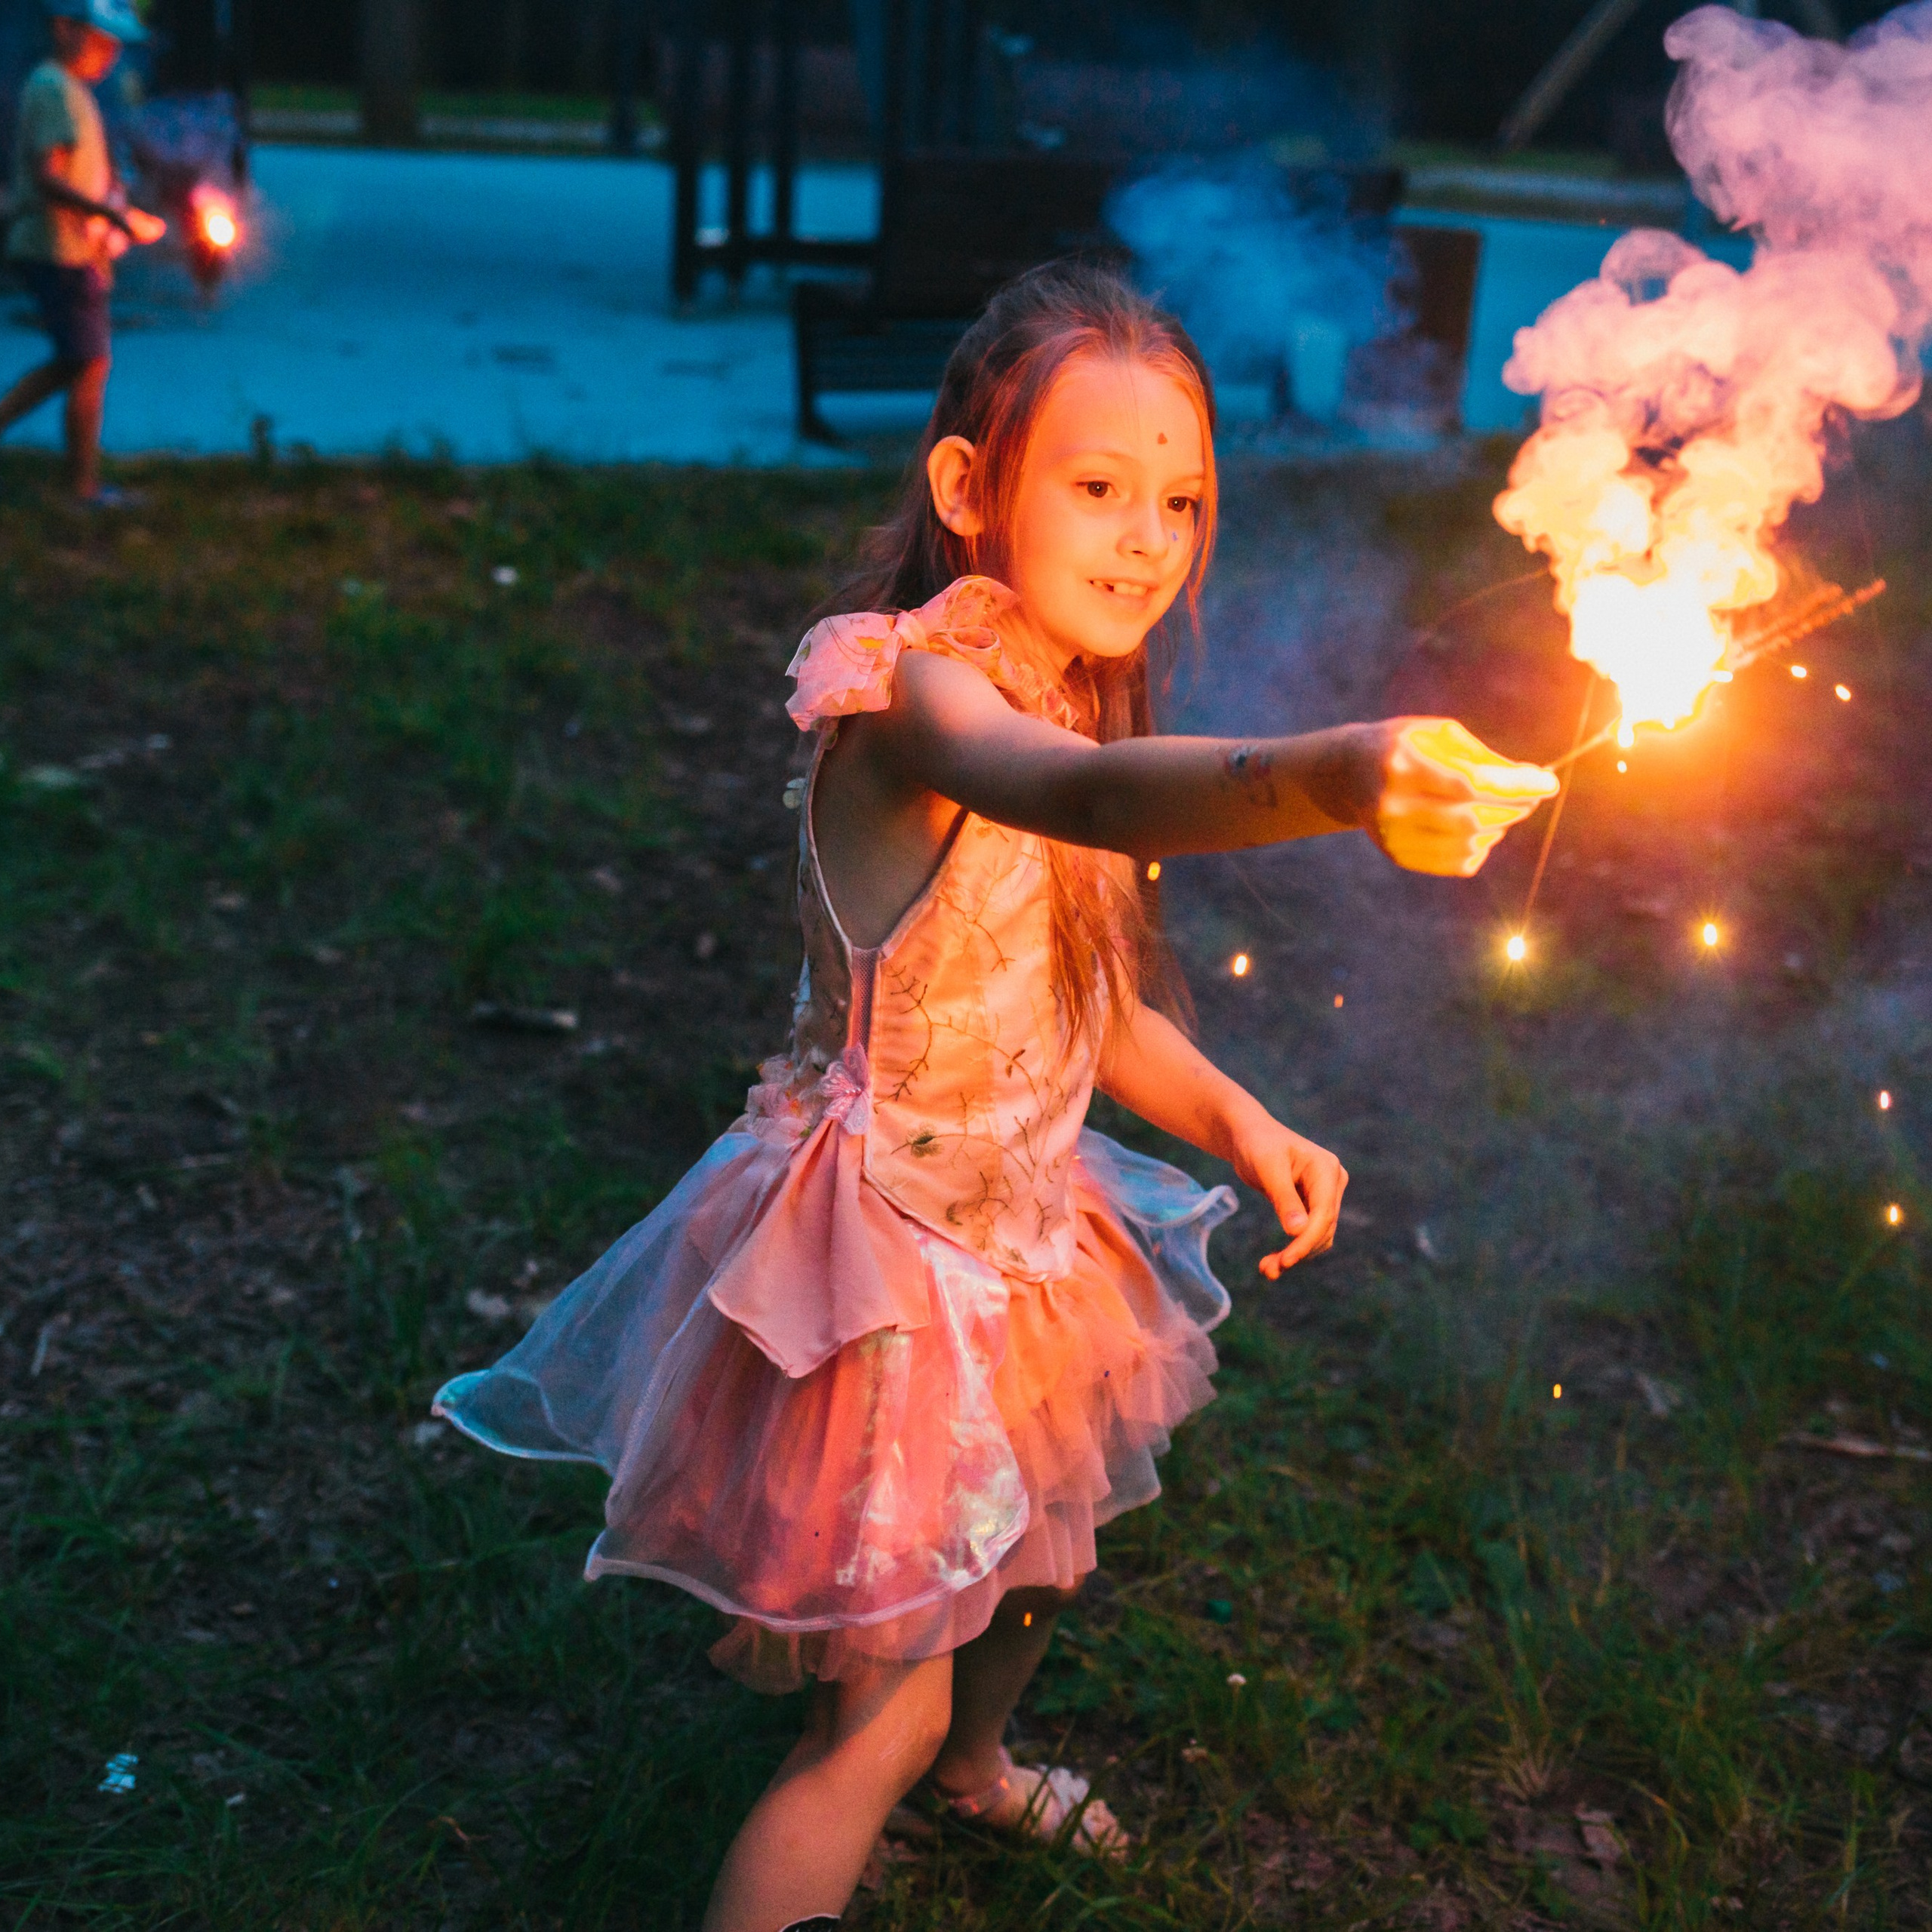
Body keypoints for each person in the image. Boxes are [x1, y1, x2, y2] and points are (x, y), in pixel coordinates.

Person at [433, 263, 1556, 1932]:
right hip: (887, 1261)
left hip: (1026, 1230)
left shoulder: (1057, 680)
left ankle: (980, 1764)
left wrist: (1240, 1115)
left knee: (1039, 1545)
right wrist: (1332, 772)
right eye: (1095, 488)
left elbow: (1079, 998)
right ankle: (891, 1776)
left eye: (1178, 499)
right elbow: (1083, 796)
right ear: (971, 490)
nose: (1144, 535)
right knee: (862, 1719)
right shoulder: (917, 698)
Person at [0, 0, 165, 506]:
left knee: (83, 362)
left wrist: (119, 211)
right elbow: (49, 176)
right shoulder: (52, 89)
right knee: (85, 360)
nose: (110, 53)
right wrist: (111, 216)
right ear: (63, 28)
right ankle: (83, 487)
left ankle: (82, 481)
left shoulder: (70, 90)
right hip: (56, 249)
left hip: (75, 250)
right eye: (100, 39)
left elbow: (78, 172)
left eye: (116, 44)